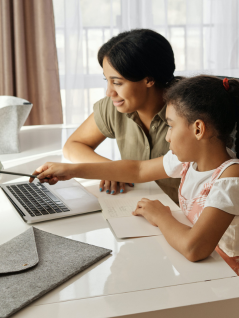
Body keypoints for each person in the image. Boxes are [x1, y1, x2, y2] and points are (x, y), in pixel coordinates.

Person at [31, 75, 239, 314]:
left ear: (198, 129)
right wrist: (71, 170)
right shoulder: (191, 162)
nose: (167, 137)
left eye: (170, 126)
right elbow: (137, 168)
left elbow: (194, 248)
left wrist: (161, 216)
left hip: (233, 294)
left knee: (138, 303)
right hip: (212, 272)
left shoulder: (232, 178)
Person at [62, 29, 180, 203]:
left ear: (149, 80)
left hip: (186, 218)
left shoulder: (189, 114)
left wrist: (114, 170)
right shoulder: (116, 106)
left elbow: (138, 171)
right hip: (138, 209)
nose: (109, 92)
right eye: (107, 80)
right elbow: (72, 146)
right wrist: (110, 169)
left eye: (117, 82)